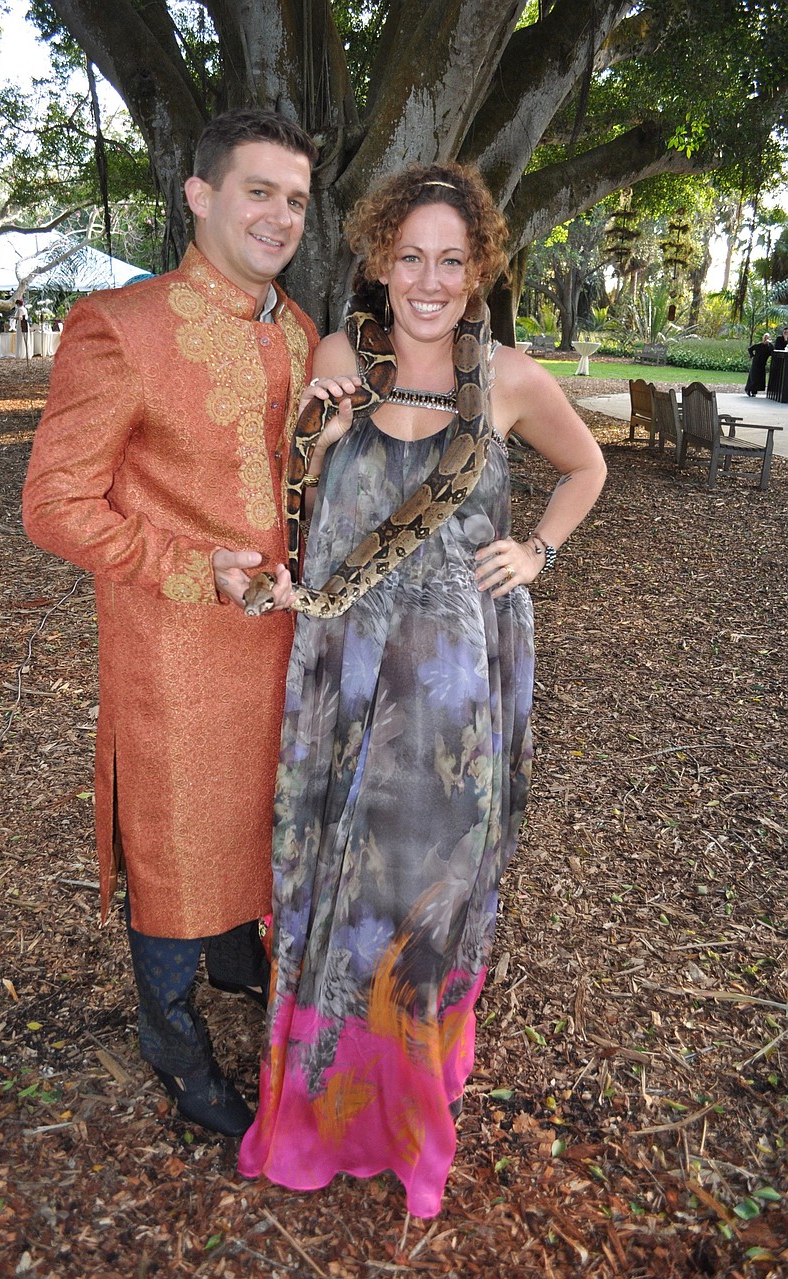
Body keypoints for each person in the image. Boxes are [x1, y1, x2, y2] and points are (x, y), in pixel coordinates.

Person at [238, 162, 607, 1216]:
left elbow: (586, 469)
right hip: (343, 673)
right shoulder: (342, 358)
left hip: (453, 701)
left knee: (429, 891)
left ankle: (408, 1108)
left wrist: (536, 550)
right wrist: (309, 419)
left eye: (452, 259)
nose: (430, 279)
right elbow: (302, 494)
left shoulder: (515, 380)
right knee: (336, 882)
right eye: (410, 258)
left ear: (479, 267)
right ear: (378, 264)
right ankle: (323, 1103)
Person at [22, 109, 319, 1138]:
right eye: (257, 190)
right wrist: (190, 568)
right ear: (198, 194)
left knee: (262, 823)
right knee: (177, 846)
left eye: (294, 197)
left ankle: (240, 961)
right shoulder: (121, 325)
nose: (279, 214)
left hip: (281, 641)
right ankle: (173, 1044)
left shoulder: (297, 328)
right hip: (174, 653)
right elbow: (53, 502)